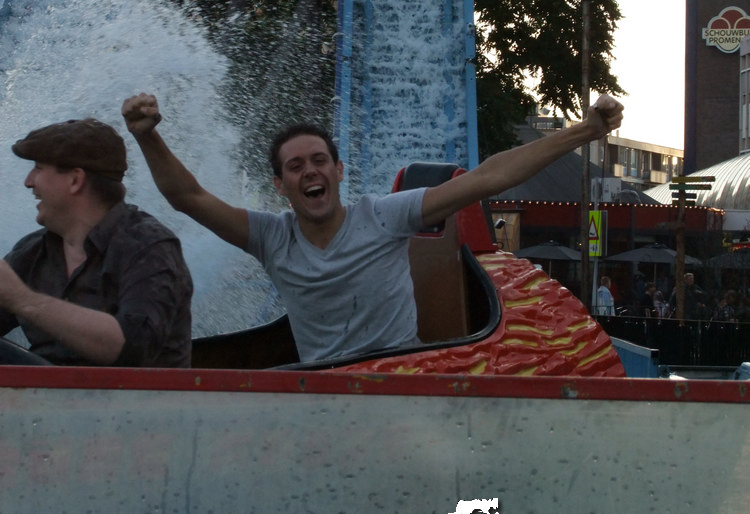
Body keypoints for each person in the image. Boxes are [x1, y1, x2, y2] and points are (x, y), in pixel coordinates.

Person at [122, 91, 624, 364]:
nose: (310, 171)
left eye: (320, 160)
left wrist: (585, 131)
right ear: (280, 185)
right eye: (295, 166)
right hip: (326, 392)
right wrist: (147, 138)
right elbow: (188, 197)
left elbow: (488, 177)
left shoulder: (384, 215)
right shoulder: (271, 237)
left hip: (399, 382)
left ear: (339, 172)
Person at [0, 118, 193, 367]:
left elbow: (135, 345)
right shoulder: (32, 251)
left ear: (75, 180)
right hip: (44, 390)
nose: (28, 181)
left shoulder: (149, 246)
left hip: (135, 391)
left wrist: (24, 300)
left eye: (38, 168)